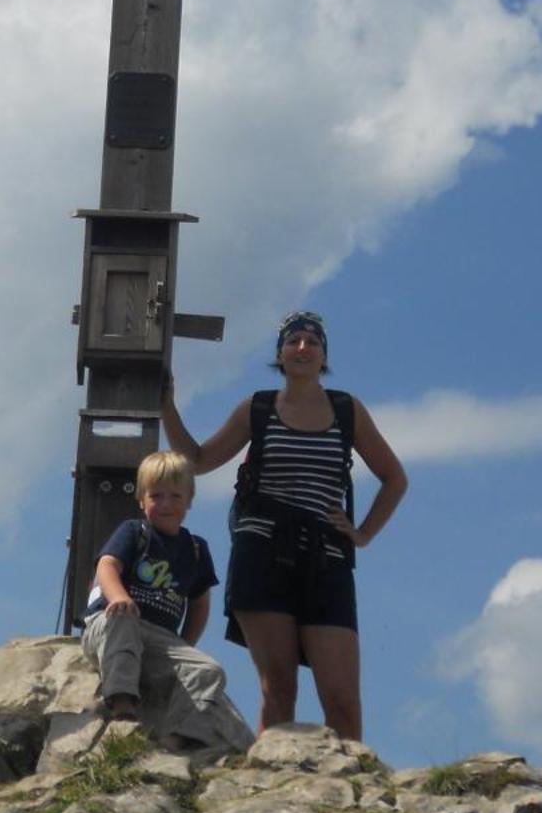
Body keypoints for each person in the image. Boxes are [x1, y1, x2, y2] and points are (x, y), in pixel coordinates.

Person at [161, 310, 406, 739]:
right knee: (279, 690)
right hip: (262, 554)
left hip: (326, 558)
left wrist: (363, 533)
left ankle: (353, 793)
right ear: (280, 354)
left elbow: (394, 478)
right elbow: (197, 461)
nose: (303, 348)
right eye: (294, 341)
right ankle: (266, 790)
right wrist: (166, 407)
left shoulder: (348, 411)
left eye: (313, 342)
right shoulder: (257, 408)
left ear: (324, 355)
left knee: (343, 700)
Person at [81, 450, 228, 750]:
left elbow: (199, 600)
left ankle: (176, 738)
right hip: (113, 625)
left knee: (210, 670)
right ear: (141, 499)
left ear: (189, 501)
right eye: (156, 495)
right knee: (123, 619)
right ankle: (122, 704)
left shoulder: (196, 548)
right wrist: (120, 597)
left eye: (175, 496)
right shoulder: (135, 532)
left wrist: (185, 644)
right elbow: (107, 565)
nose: (165, 505)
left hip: (160, 639)